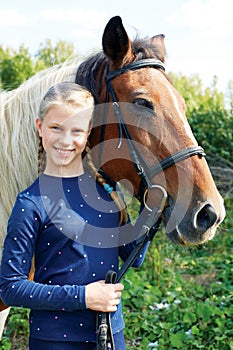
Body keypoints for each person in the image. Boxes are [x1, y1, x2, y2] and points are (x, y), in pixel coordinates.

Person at [0, 82, 150, 349]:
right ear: (39, 127)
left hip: (111, 336)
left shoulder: (107, 192)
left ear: (87, 133)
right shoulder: (30, 203)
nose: (66, 140)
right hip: (54, 340)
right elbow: (10, 288)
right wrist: (84, 297)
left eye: (76, 131)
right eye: (56, 128)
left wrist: (150, 212)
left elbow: (133, 257)